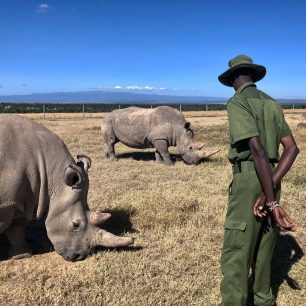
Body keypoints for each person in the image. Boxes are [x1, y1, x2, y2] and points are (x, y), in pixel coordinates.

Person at [218, 54, 299, 306]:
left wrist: (267, 198)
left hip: (250, 178)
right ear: (253, 76)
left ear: (233, 79)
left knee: (237, 247)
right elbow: (292, 148)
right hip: (273, 178)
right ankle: (264, 300)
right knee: (265, 245)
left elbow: (257, 150)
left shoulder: (237, 102)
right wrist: (270, 192)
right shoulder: (272, 103)